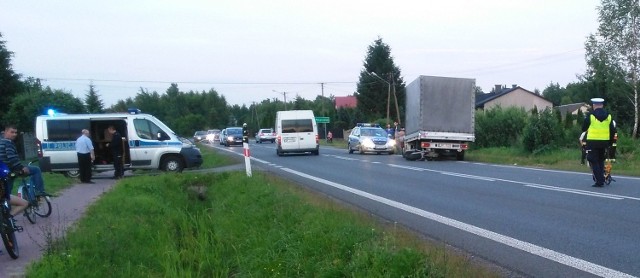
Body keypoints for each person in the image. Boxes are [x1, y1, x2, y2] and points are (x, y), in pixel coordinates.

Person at [0, 124, 49, 197]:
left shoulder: (1, 142)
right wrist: (21, 168)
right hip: (11, 170)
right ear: (5, 132)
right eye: (12, 132)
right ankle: (40, 191)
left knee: (7, 193)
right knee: (36, 170)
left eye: (15, 132)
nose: (14, 134)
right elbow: (12, 158)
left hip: (3, 171)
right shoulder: (8, 143)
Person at [582, 98, 617, 187]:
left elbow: (583, 128)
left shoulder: (590, 115)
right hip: (604, 142)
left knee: (593, 160)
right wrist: (610, 142)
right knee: (600, 160)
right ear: (602, 105)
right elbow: (612, 130)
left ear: (594, 105)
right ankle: (601, 178)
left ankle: (599, 181)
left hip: (592, 142)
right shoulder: (609, 116)